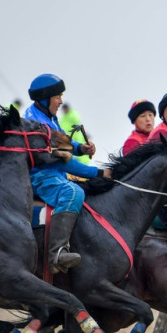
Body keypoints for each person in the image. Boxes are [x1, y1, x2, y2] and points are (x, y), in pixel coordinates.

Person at [24, 73, 109, 274]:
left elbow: (64, 144)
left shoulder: (47, 117)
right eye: (58, 97)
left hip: (53, 174)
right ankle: (57, 254)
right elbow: (64, 162)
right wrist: (97, 172)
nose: (61, 101)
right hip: (41, 177)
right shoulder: (39, 125)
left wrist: (81, 149)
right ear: (45, 98)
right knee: (74, 193)